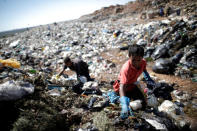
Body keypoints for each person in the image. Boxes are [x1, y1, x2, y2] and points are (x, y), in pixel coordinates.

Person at [113, 45, 155, 119]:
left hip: (132, 85)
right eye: (133, 60)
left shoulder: (143, 62)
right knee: (127, 105)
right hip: (123, 88)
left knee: (143, 103)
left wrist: (148, 78)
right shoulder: (126, 69)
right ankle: (120, 100)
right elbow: (121, 87)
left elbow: (144, 70)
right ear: (129, 56)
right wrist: (124, 103)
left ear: (142, 58)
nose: (136, 63)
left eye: (138, 60)